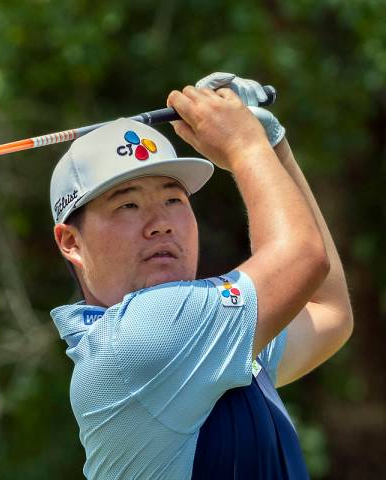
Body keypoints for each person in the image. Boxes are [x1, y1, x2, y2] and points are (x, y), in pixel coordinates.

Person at [48, 73, 353, 479]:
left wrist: (272, 146)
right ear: (71, 242)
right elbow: (302, 258)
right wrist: (246, 146)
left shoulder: (209, 340)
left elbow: (326, 311)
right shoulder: (142, 334)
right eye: (128, 206)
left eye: (173, 199)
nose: (161, 223)